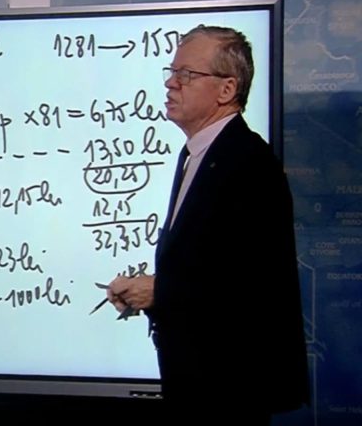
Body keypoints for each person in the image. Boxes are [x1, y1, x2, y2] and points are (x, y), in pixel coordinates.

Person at [107, 25, 309, 424]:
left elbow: (255, 285)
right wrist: (151, 293)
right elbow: (209, 265)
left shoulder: (249, 162)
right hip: (195, 382)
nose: (171, 83)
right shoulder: (199, 155)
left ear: (226, 89)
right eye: (171, 72)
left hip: (229, 388)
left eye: (186, 74)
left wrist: (161, 290)